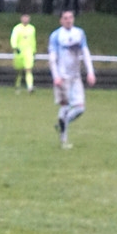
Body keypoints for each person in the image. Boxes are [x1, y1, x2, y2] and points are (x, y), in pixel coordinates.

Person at [49, 9, 96, 149]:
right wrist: (56, 76)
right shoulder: (56, 35)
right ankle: (63, 140)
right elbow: (52, 58)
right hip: (62, 76)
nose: (68, 20)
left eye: (70, 17)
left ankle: (61, 124)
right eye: (65, 18)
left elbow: (85, 53)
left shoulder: (79, 33)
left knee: (80, 108)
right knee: (65, 105)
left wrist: (90, 72)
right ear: (61, 20)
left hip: (76, 76)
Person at [11, 14, 37, 94]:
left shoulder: (32, 28)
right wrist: (15, 47)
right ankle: (17, 85)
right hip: (19, 52)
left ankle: (30, 86)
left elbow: (33, 40)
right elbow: (13, 38)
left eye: (27, 17)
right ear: (21, 18)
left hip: (28, 52)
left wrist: (34, 50)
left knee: (28, 69)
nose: (26, 19)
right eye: (24, 17)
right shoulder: (17, 28)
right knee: (19, 70)